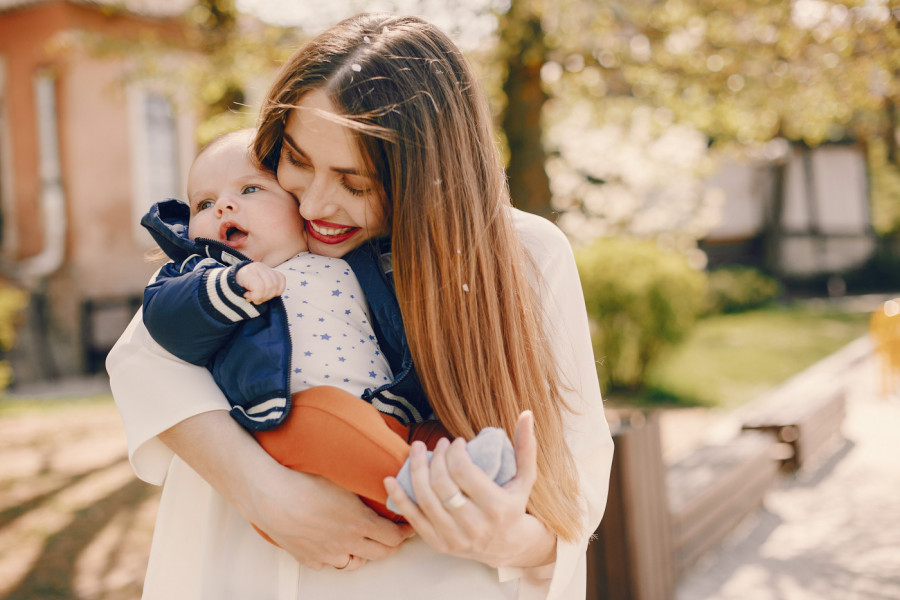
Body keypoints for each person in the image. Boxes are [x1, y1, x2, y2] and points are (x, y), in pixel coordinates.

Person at [107, 13, 613, 600]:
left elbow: (575, 498)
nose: (317, 203)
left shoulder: (525, 254)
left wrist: (501, 538)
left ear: (429, 177)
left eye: (357, 183)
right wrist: (266, 495)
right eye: (296, 159)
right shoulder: (255, 227)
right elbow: (145, 361)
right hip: (242, 572)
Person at [140, 129, 515, 524]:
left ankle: (467, 474)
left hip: (387, 415)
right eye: (204, 203)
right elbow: (166, 319)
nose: (223, 207)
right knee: (323, 412)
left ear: (297, 204)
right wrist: (230, 285)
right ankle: (416, 493)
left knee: (435, 433)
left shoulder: (349, 257)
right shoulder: (205, 273)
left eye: (250, 190)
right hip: (289, 422)